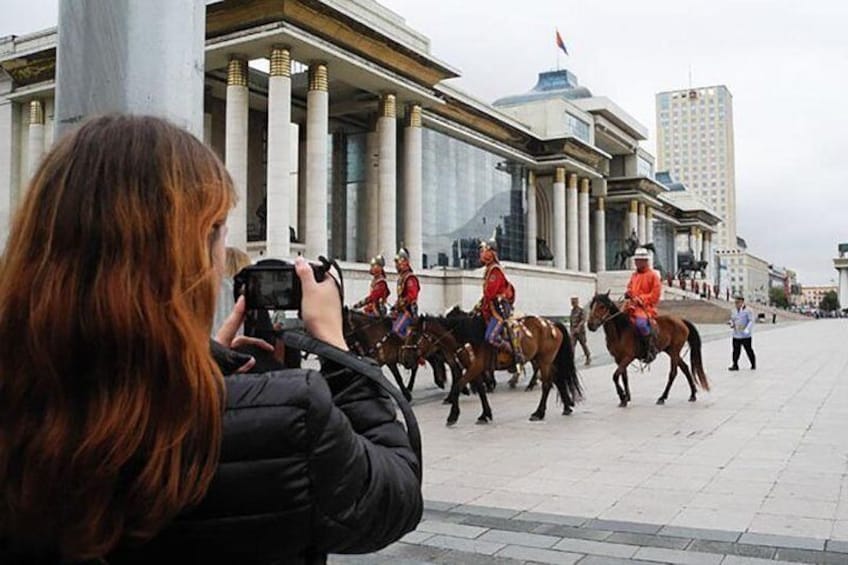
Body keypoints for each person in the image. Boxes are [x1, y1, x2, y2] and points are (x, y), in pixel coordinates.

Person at [0, 115, 422, 564]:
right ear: (187, 255)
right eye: (219, 229)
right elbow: (396, 496)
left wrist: (206, 359)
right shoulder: (290, 414)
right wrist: (335, 347)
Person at [475, 237, 517, 356]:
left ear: (491, 253)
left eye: (484, 250)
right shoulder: (488, 269)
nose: (482, 253)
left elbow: (491, 293)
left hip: (499, 310)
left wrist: (484, 304)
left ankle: (514, 354)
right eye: (482, 251)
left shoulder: (495, 271)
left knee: (491, 337)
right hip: (490, 307)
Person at [624, 247, 662, 362]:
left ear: (646, 261)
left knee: (641, 324)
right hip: (631, 306)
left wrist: (641, 299)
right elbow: (630, 287)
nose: (636, 263)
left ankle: (649, 349)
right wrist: (628, 293)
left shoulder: (653, 275)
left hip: (645, 308)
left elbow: (655, 295)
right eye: (636, 260)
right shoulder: (634, 275)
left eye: (639, 260)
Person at [391, 247, 420, 338]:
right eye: (396, 263)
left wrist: (400, 304)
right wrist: (395, 306)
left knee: (396, 330)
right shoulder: (402, 278)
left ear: (405, 262)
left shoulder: (410, 278)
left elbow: (412, 296)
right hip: (400, 311)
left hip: (408, 312)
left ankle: (405, 350)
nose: (396, 265)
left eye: (398, 262)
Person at [729, 294, 756, 370]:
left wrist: (747, 329)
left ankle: (753, 364)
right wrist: (731, 323)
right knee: (735, 351)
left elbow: (751, 321)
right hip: (736, 334)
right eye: (735, 302)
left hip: (745, 335)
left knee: (748, 350)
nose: (736, 304)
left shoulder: (748, 310)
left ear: (742, 302)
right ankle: (735, 364)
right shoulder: (733, 310)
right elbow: (732, 319)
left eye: (738, 302)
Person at [569, 296, 591, 366]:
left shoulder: (581, 310)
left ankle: (588, 356)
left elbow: (583, 320)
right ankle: (571, 360)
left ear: (577, 302)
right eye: (572, 302)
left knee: (583, 345)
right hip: (573, 332)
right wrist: (571, 330)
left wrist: (578, 327)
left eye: (574, 302)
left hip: (580, 331)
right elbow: (571, 322)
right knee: (571, 345)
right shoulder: (572, 311)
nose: (573, 303)